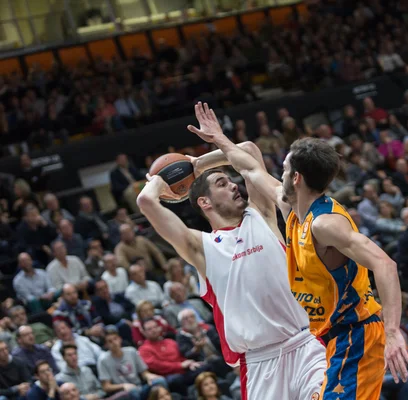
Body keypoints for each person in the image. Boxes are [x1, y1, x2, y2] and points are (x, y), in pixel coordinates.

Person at [186, 103, 408, 398]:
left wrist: (393, 332)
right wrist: (218, 141)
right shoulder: (290, 207)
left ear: (296, 178)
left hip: (357, 334)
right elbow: (250, 166)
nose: (280, 172)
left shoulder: (325, 225)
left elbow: (385, 264)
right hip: (328, 336)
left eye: (285, 168)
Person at [137, 114, 327, 400]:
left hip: (306, 344)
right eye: (223, 184)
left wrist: (196, 164)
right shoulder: (200, 247)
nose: (234, 185)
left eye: (231, 180)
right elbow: (145, 202)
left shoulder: (260, 215)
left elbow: (249, 150)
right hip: (259, 364)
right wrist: (160, 180)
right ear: (204, 202)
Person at [98, 328, 167, 400]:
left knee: (160, 380)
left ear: (120, 339)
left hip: (139, 387)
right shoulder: (103, 360)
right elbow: (106, 386)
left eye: (115, 339)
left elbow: (144, 373)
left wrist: (149, 376)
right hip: (122, 392)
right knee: (132, 391)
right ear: (106, 345)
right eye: (110, 341)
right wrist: (123, 385)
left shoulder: (131, 351)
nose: (114, 343)